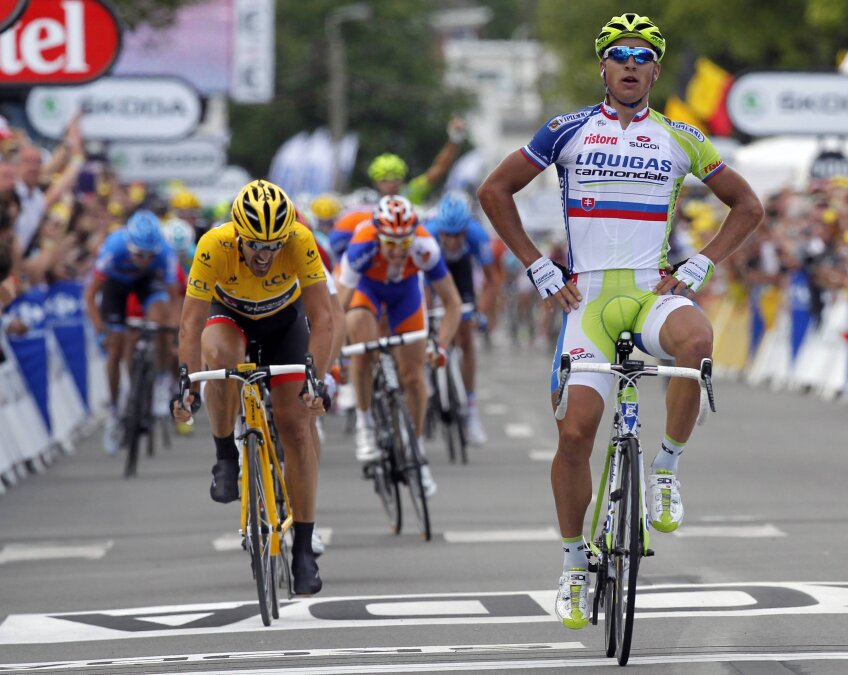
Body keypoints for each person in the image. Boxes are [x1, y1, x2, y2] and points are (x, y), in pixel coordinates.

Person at [477, 13, 764, 629]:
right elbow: (494, 190)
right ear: (603, 67)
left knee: (697, 340)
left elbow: (748, 205)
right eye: (619, 55)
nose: (630, 64)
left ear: (656, 69)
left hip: (651, 291)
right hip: (589, 304)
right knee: (577, 433)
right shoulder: (567, 130)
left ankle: (665, 469)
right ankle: (574, 563)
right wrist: (535, 265)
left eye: (642, 55)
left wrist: (702, 264)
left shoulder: (681, 137)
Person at [171, 179, 334, 596]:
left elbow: (324, 318)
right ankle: (226, 455)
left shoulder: (300, 239)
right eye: (256, 245)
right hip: (230, 318)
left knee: (296, 427)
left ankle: (302, 548)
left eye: (274, 245)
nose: (265, 255)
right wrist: (185, 381)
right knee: (221, 359)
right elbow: (190, 324)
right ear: (238, 235)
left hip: (285, 323)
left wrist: (318, 377)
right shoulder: (214, 244)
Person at [337, 195, 462, 497]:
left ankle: (416, 453)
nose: (396, 250)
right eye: (389, 242)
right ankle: (366, 425)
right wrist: (335, 354)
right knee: (362, 346)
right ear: (378, 235)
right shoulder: (362, 246)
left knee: (414, 376)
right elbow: (338, 310)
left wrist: (441, 346)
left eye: (402, 242)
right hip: (366, 292)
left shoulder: (424, 248)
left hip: (405, 295)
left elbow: (453, 304)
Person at [84, 209, 181, 455]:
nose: (145, 259)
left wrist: (173, 330)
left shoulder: (164, 252)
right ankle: (115, 411)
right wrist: (99, 329)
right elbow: (89, 296)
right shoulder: (114, 247)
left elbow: (175, 297)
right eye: (139, 254)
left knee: (160, 320)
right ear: (129, 245)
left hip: (147, 284)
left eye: (151, 254)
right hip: (115, 286)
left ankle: (160, 381)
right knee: (115, 349)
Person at [330, 116, 468, 257]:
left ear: (402, 179)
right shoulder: (366, 202)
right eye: (384, 179)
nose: (390, 184)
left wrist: (454, 140)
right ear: (375, 182)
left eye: (395, 178)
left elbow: (438, 170)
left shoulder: (411, 192)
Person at [424, 192, 499, 445]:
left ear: (466, 232)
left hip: (462, 273)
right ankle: (427, 381)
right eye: (448, 234)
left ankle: (469, 407)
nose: (453, 241)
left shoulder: (477, 236)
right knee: (425, 327)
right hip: (432, 275)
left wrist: (480, 312)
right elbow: (420, 284)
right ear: (440, 230)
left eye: (458, 235)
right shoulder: (429, 234)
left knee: (466, 337)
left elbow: (491, 281)